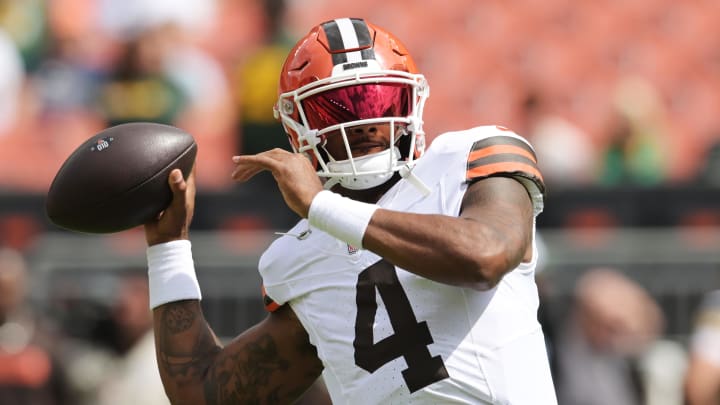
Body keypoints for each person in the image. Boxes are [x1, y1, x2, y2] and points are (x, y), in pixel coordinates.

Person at [143, 18, 556, 404]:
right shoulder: (302, 255)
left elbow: (485, 257)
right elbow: (203, 391)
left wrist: (321, 206)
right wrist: (168, 247)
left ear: (410, 99)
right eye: (338, 108)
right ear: (298, 125)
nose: (365, 123)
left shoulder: (468, 158)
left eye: (379, 99)